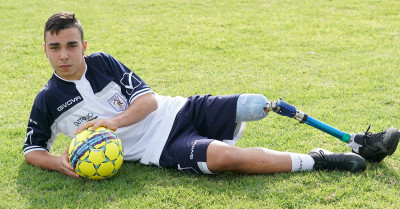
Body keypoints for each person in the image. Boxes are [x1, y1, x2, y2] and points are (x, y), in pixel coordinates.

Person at [23, 12, 400, 178]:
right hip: (160, 148)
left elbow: (149, 101)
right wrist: (57, 162)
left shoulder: (103, 62)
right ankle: (321, 160)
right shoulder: (47, 99)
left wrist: (113, 121)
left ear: (83, 45)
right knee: (224, 158)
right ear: (45, 50)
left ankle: (356, 140)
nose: (64, 55)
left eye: (71, 45)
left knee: (259, 103)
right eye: (55, 47)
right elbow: (32, 150)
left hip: (180, 109)